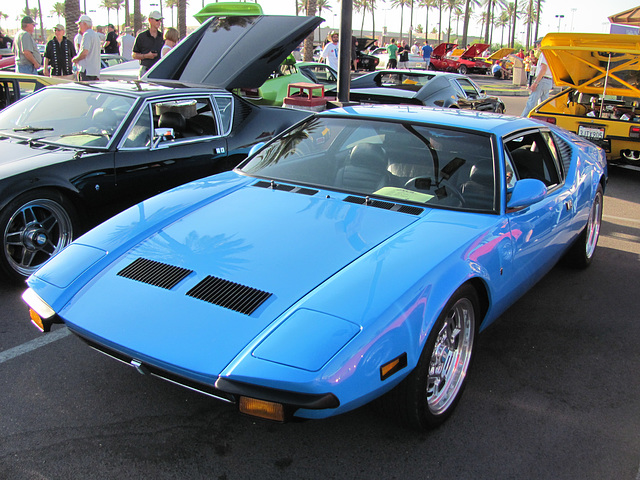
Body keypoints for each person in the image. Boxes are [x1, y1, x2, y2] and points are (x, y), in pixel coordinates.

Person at [132, 10, 165, 77]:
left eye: (160, 20)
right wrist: (146, 56)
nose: (159, 22)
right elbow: (134, 55)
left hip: (159, 70)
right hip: (145, 70)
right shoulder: (141, 36)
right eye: (157, 20)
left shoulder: (163, 36)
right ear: (150, 20)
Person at [522, 50, 553, 116]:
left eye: (539, 44)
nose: (537, 46)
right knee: (543, 105)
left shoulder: (544, 54)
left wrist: (535, 82)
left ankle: (523, 119)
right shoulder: (551, 54)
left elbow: (543, 69)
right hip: (548, 80)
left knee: (531, 102)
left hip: (542, 80)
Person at [72, 15, 102, 81]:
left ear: (85, 24)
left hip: (87, 71)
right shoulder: (95, 35)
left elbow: (84, 52)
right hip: (94, 71)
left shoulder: (87, 34)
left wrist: (75, 59)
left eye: (79, 24)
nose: (78, 26)